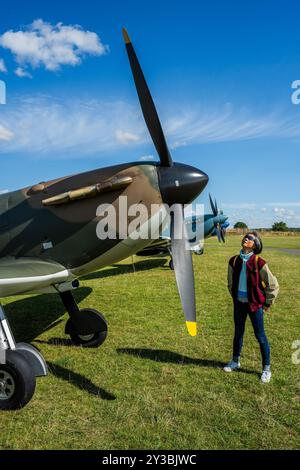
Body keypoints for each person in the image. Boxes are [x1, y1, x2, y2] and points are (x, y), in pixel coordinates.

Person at [225, 231, 279, 383]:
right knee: (238, 333)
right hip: (239, 304)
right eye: (245, 237)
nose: (246, 239)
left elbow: (273, 285)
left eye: (250, 238)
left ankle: (266, 368)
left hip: (255, 306)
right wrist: (236, 298)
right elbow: (230, 284)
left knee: (260, 336)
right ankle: (235, 361)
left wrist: (267, 303)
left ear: (255, 244)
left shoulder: (259, 262)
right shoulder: (233, 261)